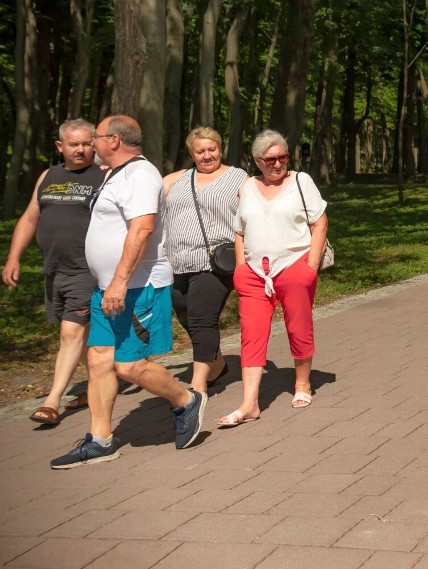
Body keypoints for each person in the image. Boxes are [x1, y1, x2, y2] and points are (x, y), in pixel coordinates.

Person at [50, 115, 207, 469]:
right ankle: (100, 440)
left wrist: (120, 281)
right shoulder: (115, 174)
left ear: (115, 141)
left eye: (96, 137)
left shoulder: (140, 175)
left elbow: (142, 230)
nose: (91, 143)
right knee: (99, 361)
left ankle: (185, 400)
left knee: (129, 365)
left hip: (137, 286)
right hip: (109, 288)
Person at [217, 129, 328, 426]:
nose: (277, 164)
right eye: (270, 160)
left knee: (298, 326)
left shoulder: (301, 182)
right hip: (253, 272)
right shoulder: (248, 187)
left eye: (282, 157)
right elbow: (239, 230)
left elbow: (320, 222)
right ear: (257, 161)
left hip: (294, 266)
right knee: (251, 335)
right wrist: (241, 268)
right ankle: (249, 403)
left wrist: (311, 266)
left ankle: (302, 384)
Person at [2, 119, 104, 425]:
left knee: (71, 332)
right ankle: (94, 385)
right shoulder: (49, 175)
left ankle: (51, 402)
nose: (81, 150)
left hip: (86, 269)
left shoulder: (103, 176)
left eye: (87, 143)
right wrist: (13, 258)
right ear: (61, 146)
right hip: (54, 269)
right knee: (77, 334)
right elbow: (30, 218)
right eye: (74, 144)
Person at [163, 127, 246, 393]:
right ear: (191, 153)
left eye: (212, 149)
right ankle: (217, 362)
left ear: (221, 149)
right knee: (185, 313)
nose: (207, 155)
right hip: (178, 260)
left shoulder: (238, 178)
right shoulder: (177, 180)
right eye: (201, 151)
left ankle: (197, 385)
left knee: (201, 317)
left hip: (214, 261)